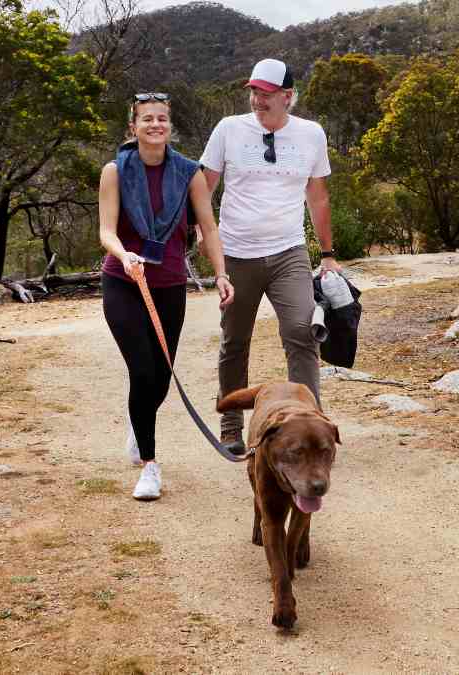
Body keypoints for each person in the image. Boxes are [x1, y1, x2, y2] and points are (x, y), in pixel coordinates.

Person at [199, 58, 344, 455]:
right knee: (235, 341)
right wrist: (201, 231)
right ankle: (231, 423)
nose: (256, 99)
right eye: (253, 91)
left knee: (302, 333)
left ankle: (308, 422)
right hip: (236, 254)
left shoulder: (311, 134)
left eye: (265, 93)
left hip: (288, 252)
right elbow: (204, 186)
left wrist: (328, 254)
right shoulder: (229, 129)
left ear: (288, 96)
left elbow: (317, 197)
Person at [99, 92, 235, 501]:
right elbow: (106, 231)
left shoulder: (189, 173)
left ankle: (137, 421)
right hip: (124, 282)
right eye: (146, 119)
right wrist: (124, 255)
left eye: (162, 119)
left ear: (169, 127)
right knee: (142, 372)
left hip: (170, 285)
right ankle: (150, 467)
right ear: (133, 128)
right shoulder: (114, 171)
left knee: (159, 379)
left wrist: (221, 275)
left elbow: (209, 229)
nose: (155, 125)